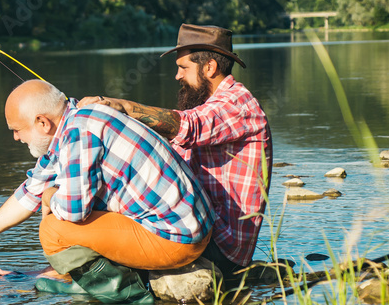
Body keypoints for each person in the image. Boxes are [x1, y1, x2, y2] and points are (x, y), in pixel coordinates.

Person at [0, 79, 214, 304]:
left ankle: (124, 292)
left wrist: (50, 196)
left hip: (177, 239)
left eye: (17, 130)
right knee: (67, 201)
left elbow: (74, 211)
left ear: (42, 123)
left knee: (53, 229)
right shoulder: (76, 122)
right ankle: (66, 273)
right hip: (189, 227)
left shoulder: (79, 132)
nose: (16, 138)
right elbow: (30, 192)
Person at [80, 24, 272, 275]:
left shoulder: (237, 104)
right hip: (198, 227)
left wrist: (121, 106)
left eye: (183, 68)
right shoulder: (210, 105)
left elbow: (189, 126)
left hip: (221, 247)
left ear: (209, 68)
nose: (177, 76)